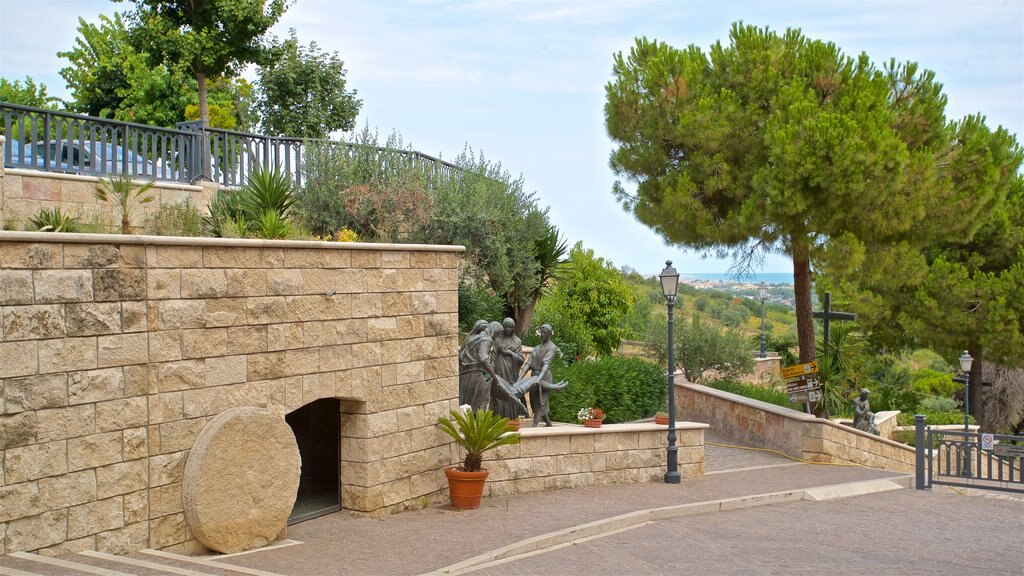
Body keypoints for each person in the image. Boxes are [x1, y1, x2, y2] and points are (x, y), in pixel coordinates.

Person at [521, 324, 561, 427]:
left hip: (545, 378)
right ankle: (548, 423)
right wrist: (520, 378)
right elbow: (528, 363)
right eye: (542, 332)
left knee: (541, 403)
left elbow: (546, 363)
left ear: (550, 334)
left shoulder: (552, 347)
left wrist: (539, 378)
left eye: (545, 333)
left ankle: (534, 426)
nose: (543, 334)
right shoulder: (536, 348)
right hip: (534, 377)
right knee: (535, 403)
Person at [458, 320, 497, 411]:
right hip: (474, 374)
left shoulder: (469, 339)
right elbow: (483, 358)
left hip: (465, 373)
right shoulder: (482, 340)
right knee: (479, 399)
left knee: (467, 402)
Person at [490, 318, 525, 418]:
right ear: (503, 327)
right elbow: (493, 357)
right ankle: (497, 418)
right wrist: (491, 371)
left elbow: (521, 360)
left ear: (513, 328)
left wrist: (509, 353)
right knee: (499, 392)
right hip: (498, 370)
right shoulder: (498, 340)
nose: (508, 329)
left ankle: (511, 419)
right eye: (506, 327)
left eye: (510, 327)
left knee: (510, 393)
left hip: (511, 372)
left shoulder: (517, 341)